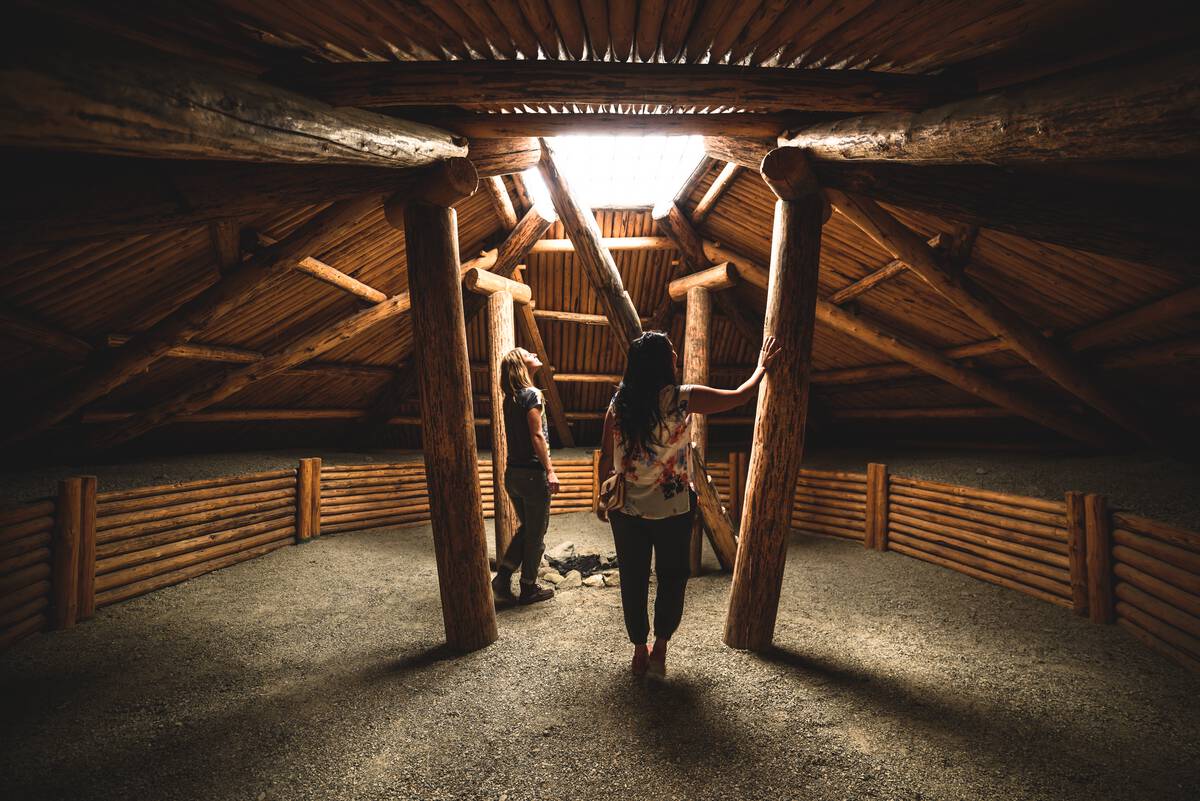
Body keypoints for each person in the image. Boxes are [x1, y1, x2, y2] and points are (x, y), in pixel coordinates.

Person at [598, 331, 781, 677]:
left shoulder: (618, 403)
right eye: (671, 352)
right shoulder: (680, 398)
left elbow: (607, 454)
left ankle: (639, 648)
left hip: (628, 511)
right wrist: (760, 367)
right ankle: (660, 649)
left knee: (633, 579)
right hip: (674, 510)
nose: (676, 357)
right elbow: (739, 397)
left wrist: (603, 496)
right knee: (672, 577)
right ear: (660, 362)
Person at [492, 347, 559, 605]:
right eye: (528, 353)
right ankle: (529, 587)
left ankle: (503, 577)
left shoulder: (511, 398)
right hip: (532, 476)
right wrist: (550, 471)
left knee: (528, 529)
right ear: (522, 364)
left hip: (513, 475)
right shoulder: (532, 395)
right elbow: (536, 435)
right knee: (536, 533)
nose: (533, 353)